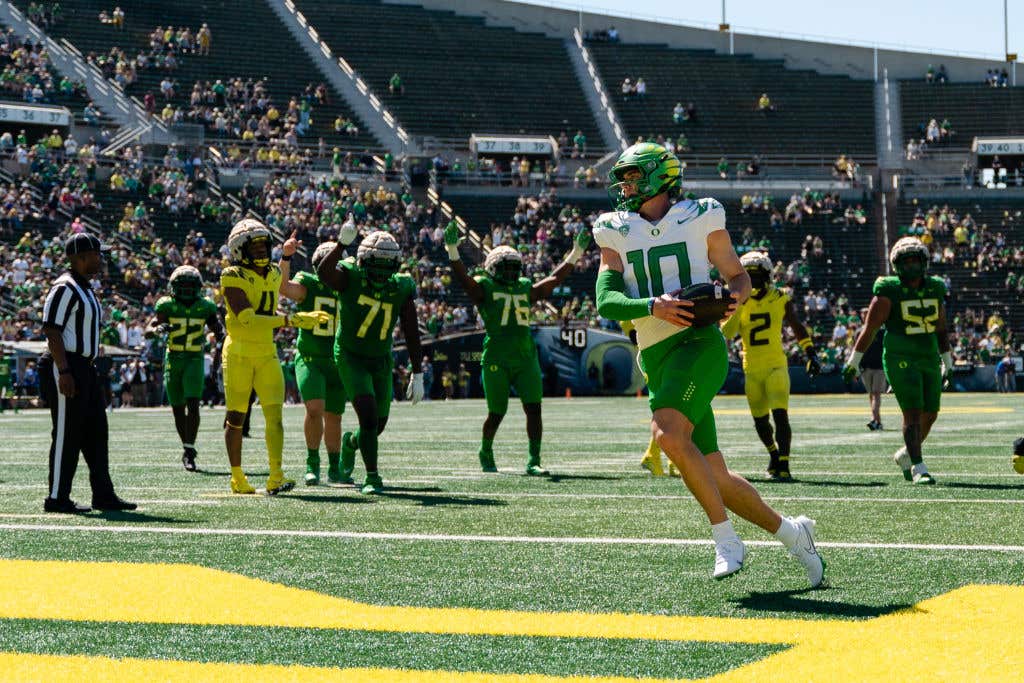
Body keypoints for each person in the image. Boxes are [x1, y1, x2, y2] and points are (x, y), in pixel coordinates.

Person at [593, 142, 823, 585]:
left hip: (699, 344)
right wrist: (651, 305)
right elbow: (606, 298)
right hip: (656, 355)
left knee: (668, 435)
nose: (624, 185)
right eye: (623, 177)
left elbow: (737, 276)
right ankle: (793, 533)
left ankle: (725, 540)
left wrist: (733, 299)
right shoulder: (614, 229)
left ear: (661, 177)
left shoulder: (700, 216)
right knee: (715, 474)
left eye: (633, 177)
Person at [444, 219, 591, 475]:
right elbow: (464, 279)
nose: (511, 273)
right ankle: (486, 450)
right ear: (492, 268)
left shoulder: (524, 287)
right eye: (506, 268)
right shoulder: (485, 287)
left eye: (514, 268)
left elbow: (553, 280)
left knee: (534, 409)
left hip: (525, 356)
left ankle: (534, 459)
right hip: (497, 357)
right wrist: (453, 251)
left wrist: (575, 253)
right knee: (496, 412)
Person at [220, 219, 329, 495]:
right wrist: (293, 320)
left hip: (266, 351)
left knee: (275, 415)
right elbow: (247, 318)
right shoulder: (232, 275)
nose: (260, 252)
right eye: (254, 248)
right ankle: (236, 475)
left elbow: (279, 282)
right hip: (240, 352)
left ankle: (276, 475)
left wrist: (288, 255)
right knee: (235, 418)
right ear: (239, 251)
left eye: (263, 246)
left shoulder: (270, 271)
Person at [317, 230, 425, 494]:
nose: (380, 275)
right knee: (367, 416)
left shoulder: (401, 286)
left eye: (385, 268)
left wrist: (418, 372)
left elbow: (411, 332)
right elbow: (324, 273)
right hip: (351, 356)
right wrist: (341, 244)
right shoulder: (350, 276)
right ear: (363, 262)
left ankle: (351, 443)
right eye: (375, 267)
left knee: (377, 425)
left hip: (380, 358)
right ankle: (372, 476)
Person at [39, 233, 135, 513]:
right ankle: (57, 497)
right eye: (96, 254)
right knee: (67, 434)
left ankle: (103, 494)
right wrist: (64, 370)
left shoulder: (85, 288)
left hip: (84, 366)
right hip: (66, 364)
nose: (100, 259)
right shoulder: (65, 287)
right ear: (80, 257)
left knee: (96, 433)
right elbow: (51, 330)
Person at [844, 237, 952, 485]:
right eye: (907, 261)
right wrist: (853, 362)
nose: (913, 266)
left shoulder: (935, 288)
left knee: (931, 413)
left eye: (916, 260)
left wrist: (948, 360)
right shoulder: (888, 290)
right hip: (899, 356)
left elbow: (941, 328)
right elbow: (870, 329)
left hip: (928, 354)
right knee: (912, 411)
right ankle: (918, 466)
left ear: (925, 263)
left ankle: (906, 454)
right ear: (897, 264)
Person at [720, 251, 821, 481]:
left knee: (780, 416)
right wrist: (739, 304)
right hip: (751, 368)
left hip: (775, 365)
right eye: (750, 276)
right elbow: (728, 331)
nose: (753, 281)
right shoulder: (739, 300)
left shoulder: (781, 297)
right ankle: (774, 455)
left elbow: (796, 325)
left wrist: (810, 352)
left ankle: (783, 463)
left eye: (756, 276)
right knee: (760, 420)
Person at [278, 239, 348, 486]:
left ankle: (334, 465)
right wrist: (286, 257)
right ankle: (312, 462)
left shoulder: (346, 286)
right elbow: (284, 287)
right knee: (315, 409)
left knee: (335, 416)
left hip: (338, 359)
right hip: (311, 357)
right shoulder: (309, 283)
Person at [145, 265, 224, 471]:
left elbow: (218, 329)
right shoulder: (166, 305)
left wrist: (221, 335)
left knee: (193, 403)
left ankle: (189, 450)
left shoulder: (206, 306)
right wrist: (157, 329)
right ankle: (187, 446)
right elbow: (148, 330)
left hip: (194, 358)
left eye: (191, 286)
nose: (188, 290)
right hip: (174, 358)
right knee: (178, 408)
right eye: (184, 286)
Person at [860, 327, 887, 430]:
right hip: (866, 368)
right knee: (872, 394)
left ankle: (875, 420)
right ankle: (876, 420)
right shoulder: (860, 331)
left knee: (875, 394)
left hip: (879, 368)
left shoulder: (882, 332)